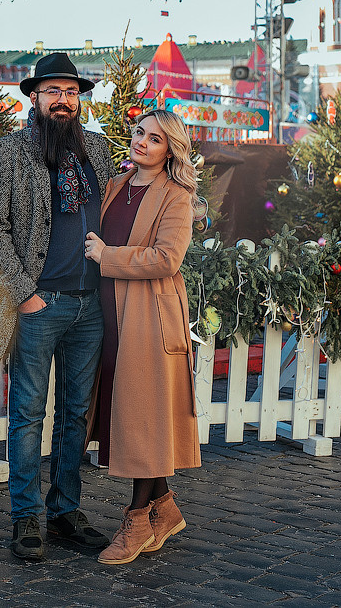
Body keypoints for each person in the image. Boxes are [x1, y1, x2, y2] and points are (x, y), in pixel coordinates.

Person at [0, 52, 116, 562]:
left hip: (90, 304)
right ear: (34, 97)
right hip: (40, 303)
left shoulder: (97, 149)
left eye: (71, 92)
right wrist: (25, 295)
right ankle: (26, 517)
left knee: (75, 414)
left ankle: (64, 511)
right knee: (28, 414)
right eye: (53, 91)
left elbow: (121, 209)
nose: (63, 101)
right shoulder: (8, 152)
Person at [84, 109, 202, 566]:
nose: (142, 142)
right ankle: (165, 509)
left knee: (144, 417)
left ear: (170, 150)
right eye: (139, 133)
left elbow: (167, 258)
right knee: (132, 413)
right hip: (110, 312)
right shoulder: (115, 185)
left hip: (149, 315)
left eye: (155, 139)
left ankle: (136, 521)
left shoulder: (176, 195)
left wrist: (107, 256)